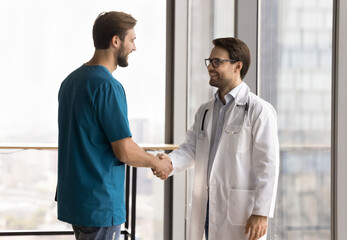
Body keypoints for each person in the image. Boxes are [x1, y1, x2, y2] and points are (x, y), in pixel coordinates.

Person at [57, 11, 172, 240]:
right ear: (116, 41)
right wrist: (156, 163)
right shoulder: (108, 86)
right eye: (132, 40)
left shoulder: (69, 82)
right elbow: (125, 151)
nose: (134, 47)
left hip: (76, 201)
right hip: (100, 205)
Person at [156, 37, 279, 240]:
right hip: (207, 206)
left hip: (241, 211)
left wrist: (261, 212)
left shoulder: (259, 110)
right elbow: (190, 149)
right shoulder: (205, 111)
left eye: (217, 62)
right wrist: (169, 162)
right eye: (209, 61)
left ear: (237, 66)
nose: (210, 67)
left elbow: (268, 165)